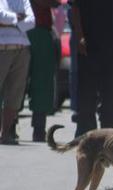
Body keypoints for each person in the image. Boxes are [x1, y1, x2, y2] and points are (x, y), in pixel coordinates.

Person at [70, 0, 113, 137]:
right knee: (87, 89)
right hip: (90, 42)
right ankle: (85, 130)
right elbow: (75, 7)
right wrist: (79, 35)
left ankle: (107, 131)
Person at [0, 0, 34, 145]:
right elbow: (1, 15)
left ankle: (5, 133)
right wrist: (18, 19)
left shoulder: (23, 0)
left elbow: (32, 21)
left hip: (21, 48)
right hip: (2, 48)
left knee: (15, 93)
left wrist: (9, 23)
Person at [27, 0, 60, 142]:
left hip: (41, 30)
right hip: (23, 30)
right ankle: (9, 127)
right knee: (13, 81)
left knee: (42, 82)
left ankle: (39, 129)